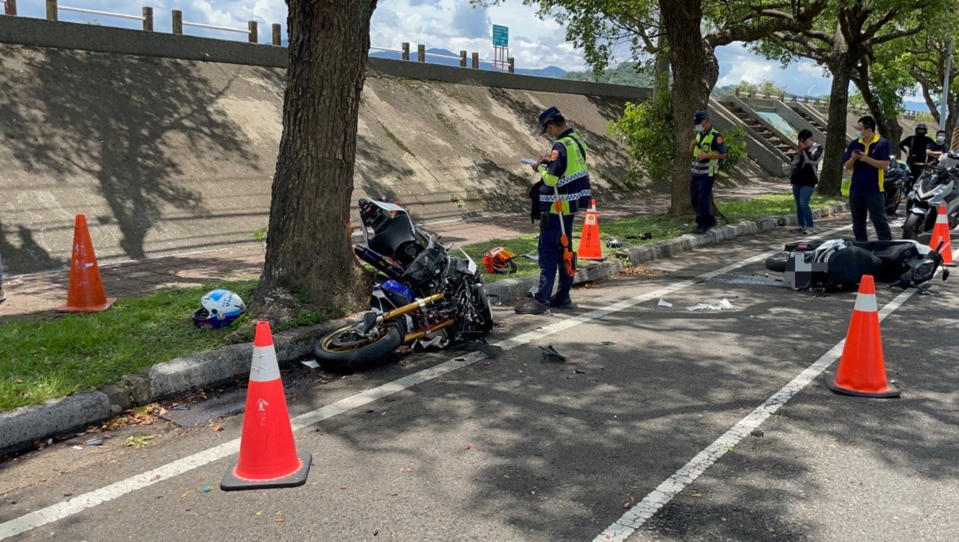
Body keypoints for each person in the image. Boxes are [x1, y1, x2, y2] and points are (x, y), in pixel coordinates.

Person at [515, 106, 592, 315]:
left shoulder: (560, 145)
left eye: (546, 129)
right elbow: (570, 169)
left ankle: (541, 299)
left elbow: (551, 179)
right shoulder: (576, 140)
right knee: (565, 250)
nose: (547, 134)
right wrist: (550, 162)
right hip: (570, 207)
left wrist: (539, 166)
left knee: (548, 250)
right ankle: (563, 295)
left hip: (556, 207)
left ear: (551, 125)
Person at [843, 116, 892, 242]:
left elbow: (885, 164)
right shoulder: (855, 143)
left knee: (878, 220)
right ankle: (861, 245)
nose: (857, 131)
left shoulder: (883, 143)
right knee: (858, 222)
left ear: (869, 129)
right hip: (856, 188)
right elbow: (847, 166)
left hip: (874, 188)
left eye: (860, 129)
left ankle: (887, 245)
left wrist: (866, 159)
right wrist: (853, 158)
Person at [689, 110, 726, 234]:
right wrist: (692, 145)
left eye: (699, 122)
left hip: (707, 173)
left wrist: (707, 156)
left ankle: (702, 224)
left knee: (703, 199)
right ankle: (710, 220)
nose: (698, 125)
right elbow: (693, 153)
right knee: (694, 198)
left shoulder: (716, 136)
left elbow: (723, 155)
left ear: (706, 121)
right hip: (695, 172)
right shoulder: (699, 134)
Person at [789, 129, 823, 234]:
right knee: (798, 204)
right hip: (797, 179)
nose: (803, 143)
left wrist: (804, 151)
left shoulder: (818, 148)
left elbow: (813, 160)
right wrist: (798, 153)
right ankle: (801, 225)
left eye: (804, 140)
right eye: (801, 141)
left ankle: (810, 226)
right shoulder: (801, 148)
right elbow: (794, 163)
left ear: (810, 138)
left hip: (809, 181)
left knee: (804, 203)